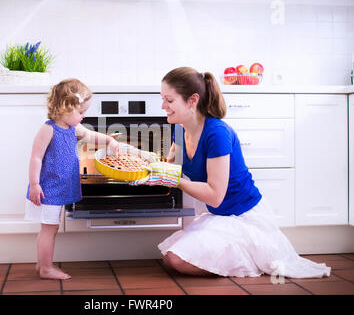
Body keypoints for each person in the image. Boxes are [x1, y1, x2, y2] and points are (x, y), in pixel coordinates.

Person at [132, 66, 331, 279]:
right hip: (219, 217)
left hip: (243, 217)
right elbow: (168, 167)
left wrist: (175, 180)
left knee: (177, 259)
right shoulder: (180, 129)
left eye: (169, 101)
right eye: (163, 99)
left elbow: (215, 195)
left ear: (192, 101)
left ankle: (248, 259)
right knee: (171, 258)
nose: (163, 106)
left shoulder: (216, 133)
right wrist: (137, 158)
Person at [25, 78, 119, 280]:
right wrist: (34, 183)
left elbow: (92, 136)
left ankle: (42, 264)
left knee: (51, 228)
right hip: (48, 189)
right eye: (81, 112)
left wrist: (109, 139)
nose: (84, 116)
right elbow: (36, 157)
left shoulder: (73, 128)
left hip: (59, 188)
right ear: (64, 108)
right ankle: (46, 268)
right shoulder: (49, 129)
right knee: (49, 229)